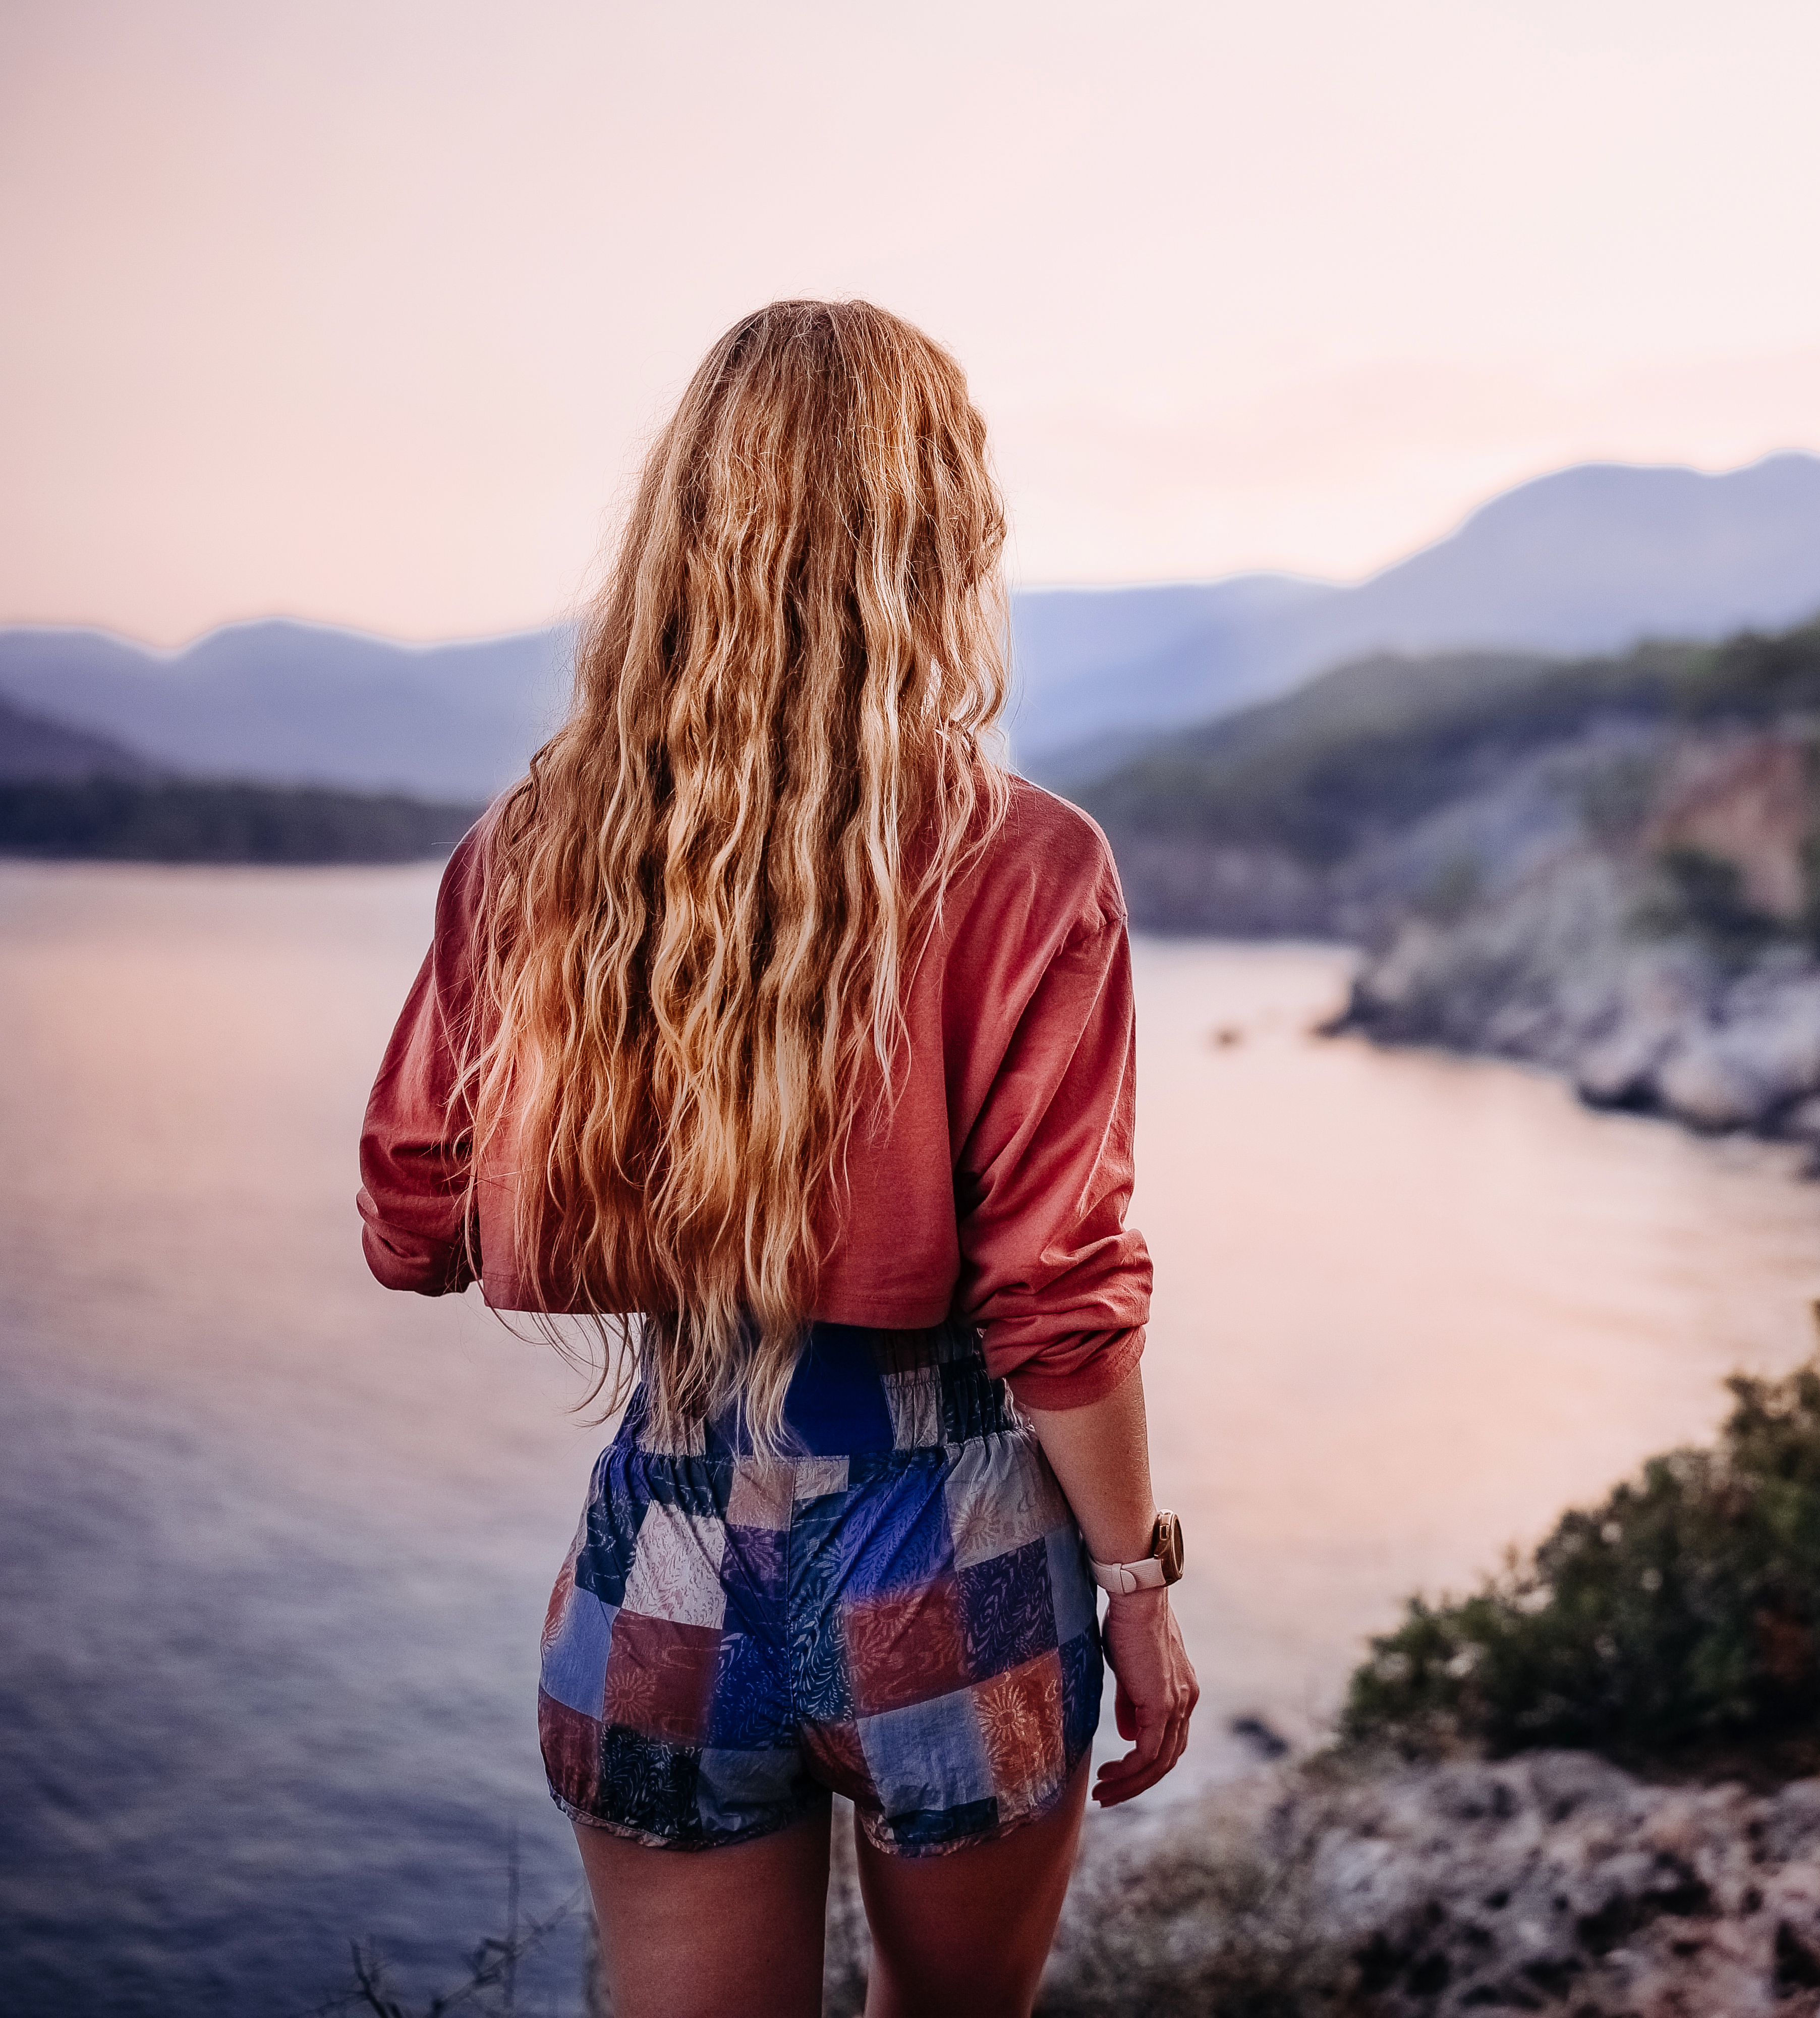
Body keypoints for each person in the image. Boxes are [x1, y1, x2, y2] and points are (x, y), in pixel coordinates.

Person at [356, 299, 1193, 2018]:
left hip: (662, 1552)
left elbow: (412, 1220)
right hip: (948, 1553)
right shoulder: (1027, 864)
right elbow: (1057, 1293)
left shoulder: (533, 855)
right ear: (942, 535)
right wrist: (1138, 1589)